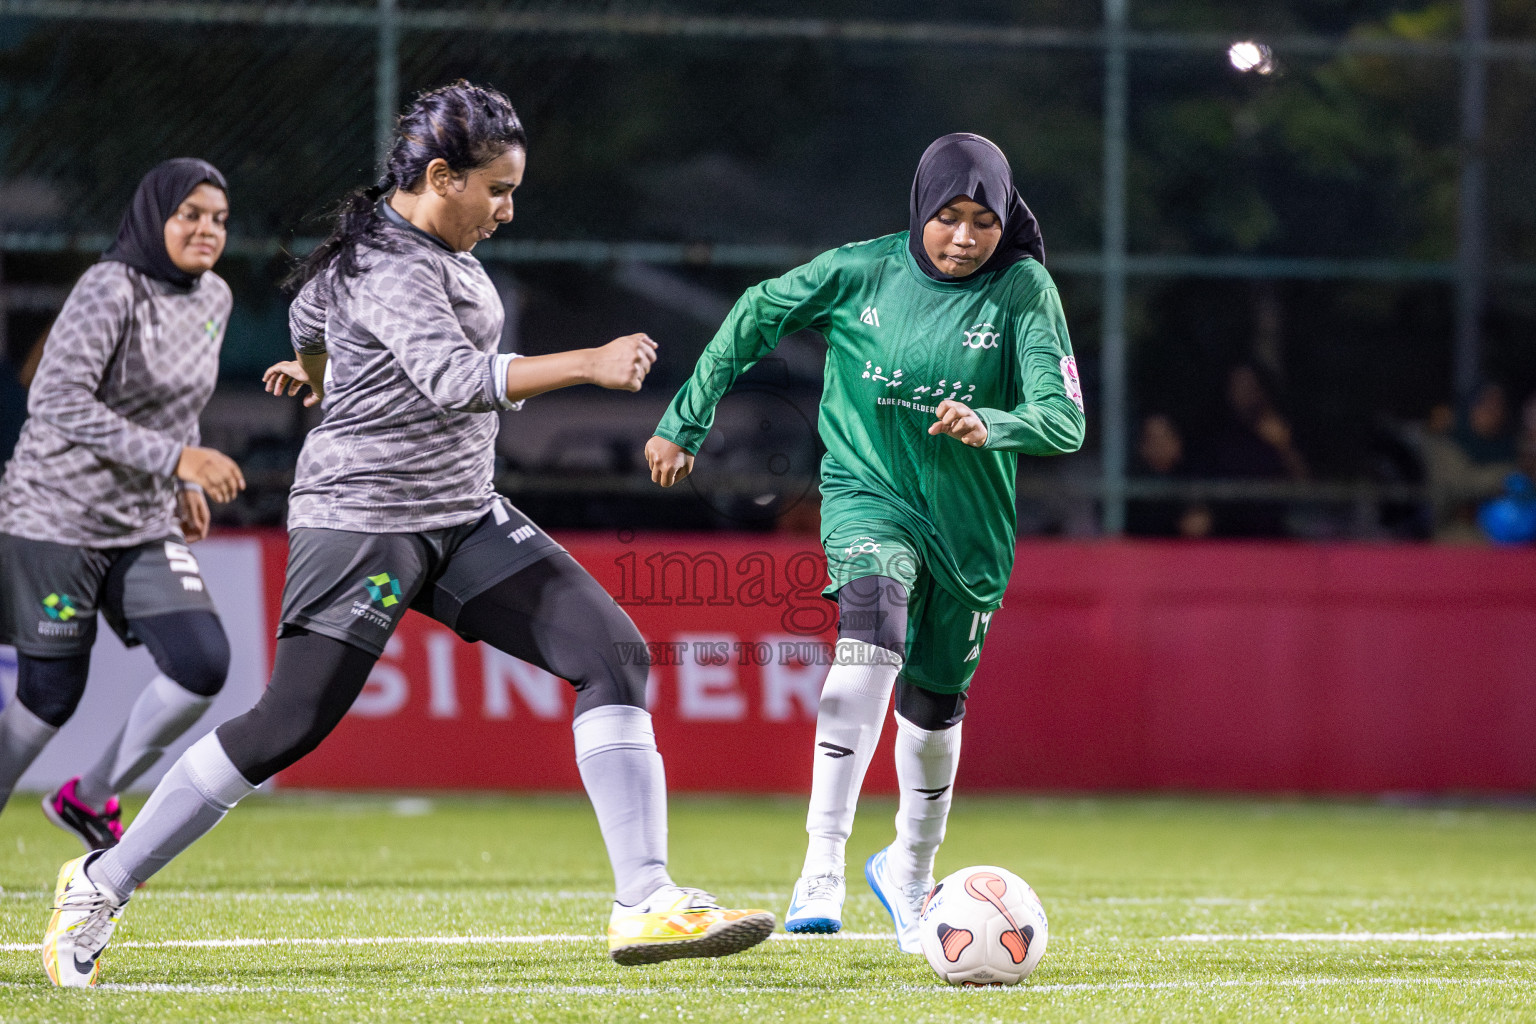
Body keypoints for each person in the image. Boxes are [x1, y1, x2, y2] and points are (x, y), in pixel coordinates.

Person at [42, 81, 771, 989]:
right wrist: (586, 362)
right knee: (287, 725)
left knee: (612, 653)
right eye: (497, 191)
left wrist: (315, 370)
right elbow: (452, 378)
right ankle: (100, 883)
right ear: (439, 176)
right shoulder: (386, 262)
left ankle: (646, 897)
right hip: (363, 523)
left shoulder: (424, 252)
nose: (507, 210)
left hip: (463, 515)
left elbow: (310, 317)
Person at [646, 133, 1085, 953]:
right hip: (866, 499)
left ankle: (910, 870)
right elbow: (755, 313)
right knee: (869, 636)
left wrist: (995, 422)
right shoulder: (860, 271)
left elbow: (1065, 419)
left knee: (932, 713)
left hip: (970, 532)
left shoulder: (1025, 289)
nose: (963, 238)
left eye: (982, 222)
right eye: (948, 218)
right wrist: (685, 420)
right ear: (920, 208)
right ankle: (822, 860)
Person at [0, 159, 243, 852]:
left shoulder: (215, 298)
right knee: (48, 698)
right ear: (154, 216)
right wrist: (178, 463)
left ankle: (91, 797)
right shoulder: (110, 287)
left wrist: (185, 484)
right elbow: (53, 399)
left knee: (202, 665)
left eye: (219, 220)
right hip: (55, 516)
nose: (207, 230)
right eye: (190, 214)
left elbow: (179, 406)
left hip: (141, 521)